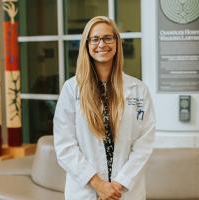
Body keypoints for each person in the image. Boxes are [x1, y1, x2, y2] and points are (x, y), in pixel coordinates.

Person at [53, 16, 155, 200]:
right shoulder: (71, 89)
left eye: (108, 38)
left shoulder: (138, 89)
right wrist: (99, 185)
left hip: (125, 191)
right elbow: (65, 145)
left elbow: (144, 144)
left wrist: (118, 185)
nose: (102, 44)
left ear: (116, 42)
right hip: (86, 190)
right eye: (95, 39)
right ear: (87, 44)